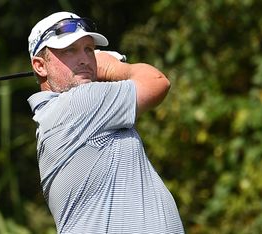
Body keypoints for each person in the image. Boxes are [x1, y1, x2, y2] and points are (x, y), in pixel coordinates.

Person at [27, 11, 184, 234]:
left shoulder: (57, 115)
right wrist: (114, 68)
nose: (84, 59)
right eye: (69, 50)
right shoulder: (79, 104)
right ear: (40, 66)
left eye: (88, 49)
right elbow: (157, 82)